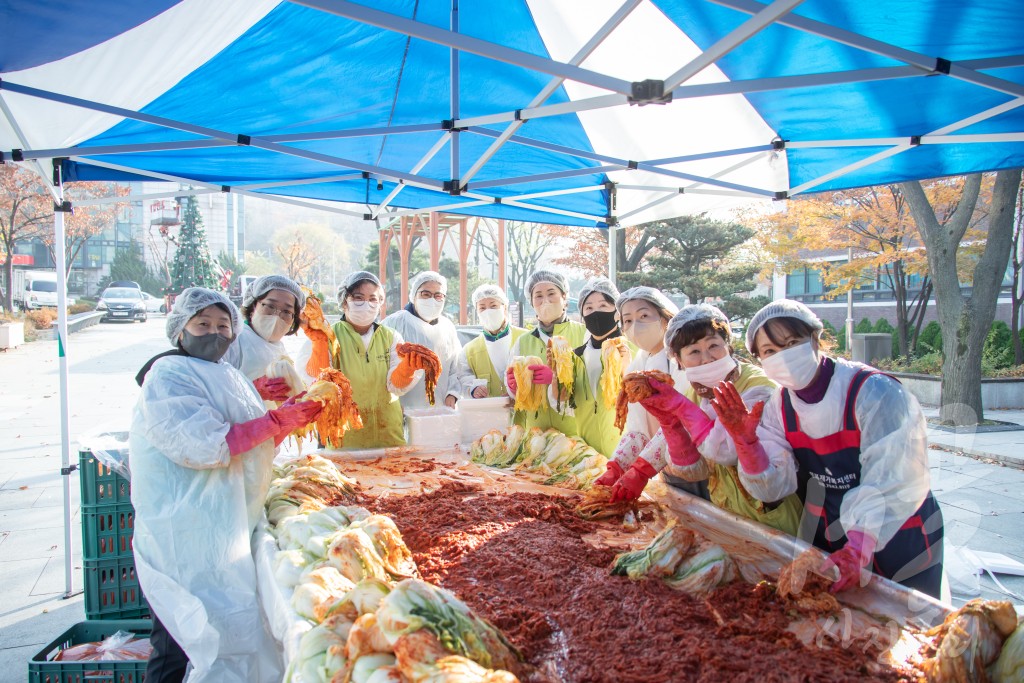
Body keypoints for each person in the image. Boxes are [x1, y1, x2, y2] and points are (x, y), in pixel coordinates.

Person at [130, 288, 322, 683]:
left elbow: (254, 447)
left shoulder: (226, 373)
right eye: (202, 324)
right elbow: (206, 445)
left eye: (222, 325)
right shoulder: (167, 375)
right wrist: (276, 421)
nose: (214, 333)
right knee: (178, 639)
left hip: (225, 522)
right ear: (179, 329)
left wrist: (281, 419)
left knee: (222, 635)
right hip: (185, 530)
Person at [718, 299, 943, 597]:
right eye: (770, 351)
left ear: (814, 338)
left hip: (900, 533)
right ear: (759, 359)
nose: (783, 357)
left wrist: (859, 548)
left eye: (792, 342)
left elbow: (895, 479)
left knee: (909, 629)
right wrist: (747, 445)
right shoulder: (778, 408)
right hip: (833, 534)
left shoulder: (874, 392)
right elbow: (773, 488)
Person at [631, 304, 802, 534]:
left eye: (713, 346)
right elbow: (694, 471)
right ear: (679, 361)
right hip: (725, 514)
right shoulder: (694, 393)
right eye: (693, 351)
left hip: (771, 519)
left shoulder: (759, 387)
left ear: (729, 347)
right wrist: (671, 425)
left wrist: (682, 409)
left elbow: (725, 452)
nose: (706, 359)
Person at [592, 286, 691, 502]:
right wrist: (617, 466)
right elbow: (638, 428)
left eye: (644, 316)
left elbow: (681, 422)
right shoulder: (638, 363)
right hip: (666, 470)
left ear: (665, 319)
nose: (634, 326)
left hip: (694, 466)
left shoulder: (681, 361)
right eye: (627, 320)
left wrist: (641, 470)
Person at [331, 270, 430, 449]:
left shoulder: (391, 337)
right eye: (358, 297)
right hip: (346, 438)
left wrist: (407, 369)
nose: (366, 304)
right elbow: (316, 385)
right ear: (345, 300)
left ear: (380, 303)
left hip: (389, 434)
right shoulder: (328, 337)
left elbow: (395, 387)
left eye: (373, 299)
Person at [505, 269, 587, 433]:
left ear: (564, 297)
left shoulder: (583, 334)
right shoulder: (524, 340)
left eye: (551, 293)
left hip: (574, 431)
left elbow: (592, 382)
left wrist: (557, 379)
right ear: (531, 302)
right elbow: (514, 391)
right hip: (536, 432)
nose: (545, 301)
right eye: (539, 296)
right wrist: (513, 386)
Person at [568, 276, 633, 457]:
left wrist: (626, 368)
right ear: (583, 316)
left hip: (626, 452)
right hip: (589, 456)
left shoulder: (632, 348)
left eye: (603, 306)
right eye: (589, 307)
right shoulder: (575, 356)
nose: (596, 312)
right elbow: (562, 401)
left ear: (617, 312)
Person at [381, 271, 462, 409]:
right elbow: (380, 366)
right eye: (426, 294)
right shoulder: (394, 323)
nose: (432, 300)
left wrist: (453, 393)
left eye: (438, 295)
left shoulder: (448, 327)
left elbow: (456, 367)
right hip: (401, 410)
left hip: (441, 408)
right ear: (414, 296)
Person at [222, 274, 306, 403]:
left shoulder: (279, 347)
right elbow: (216, 389)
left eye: (287, 312)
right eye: (270, 306)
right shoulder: (234, 341)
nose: (277, 316)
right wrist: (254, 389)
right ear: (253, 306)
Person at [454, 283, 526, 398]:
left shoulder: (526, 338)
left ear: (505, 307)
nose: (488, 311)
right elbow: (463, 376)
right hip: (491, 413)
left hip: (524, 413)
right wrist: (473, 389)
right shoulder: (470, 350)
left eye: (493, 306)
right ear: (477, 312)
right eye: (482, 308)